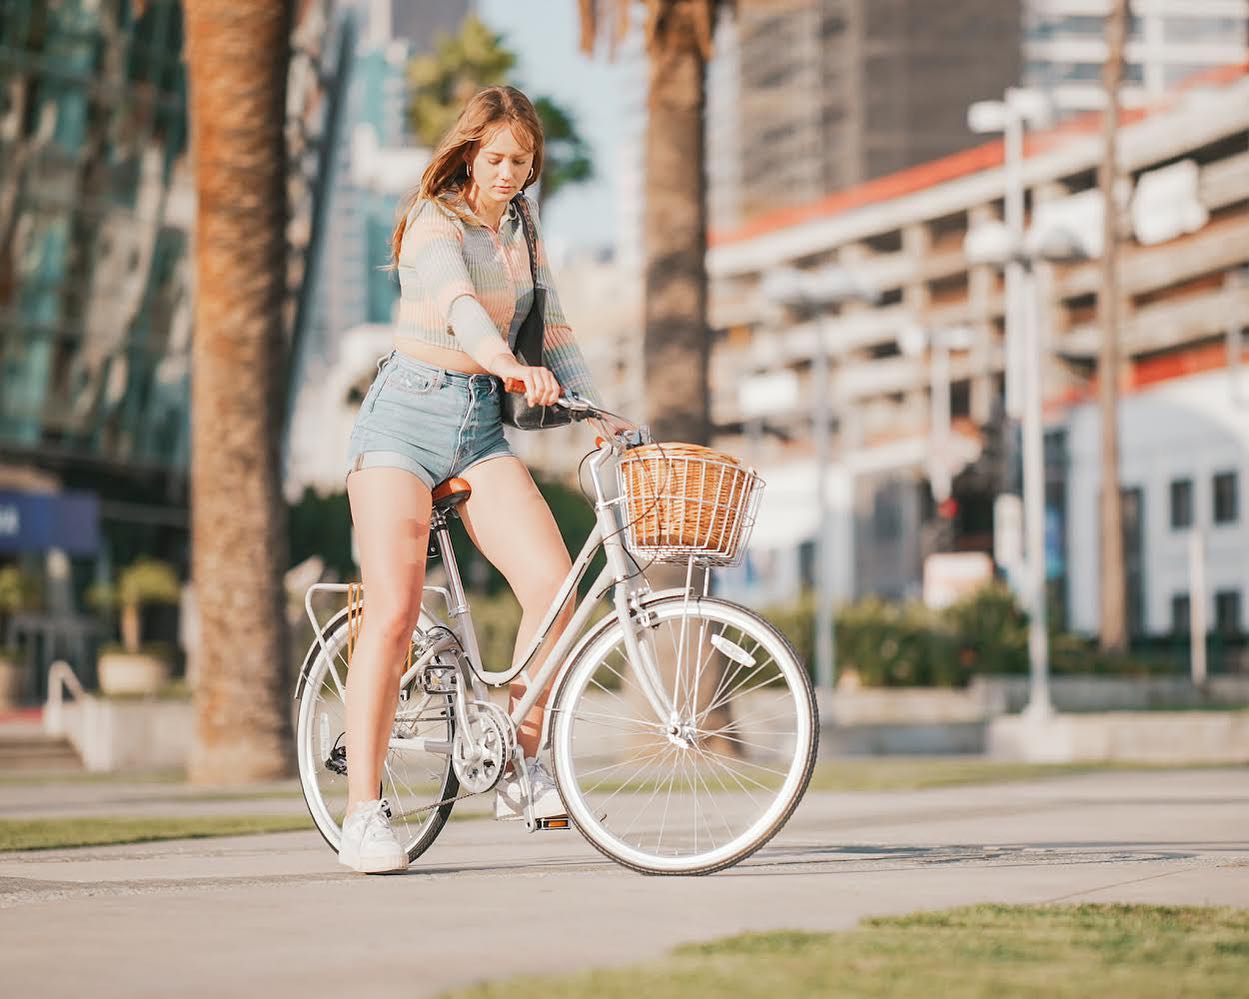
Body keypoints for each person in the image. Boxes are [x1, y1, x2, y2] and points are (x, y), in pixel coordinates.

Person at [337, 86, 617, 874]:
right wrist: (500, 361)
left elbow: (552, 322)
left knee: (557, 592)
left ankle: (514, 758)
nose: (507, 173)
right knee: (392, 613)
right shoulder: (435, 220)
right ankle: (364, 813)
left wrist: (593, 406)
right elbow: (458, 305)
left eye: (521, 162)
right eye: (494, 158)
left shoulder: (522, 228)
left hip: (477, 429)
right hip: (401, 422)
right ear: (467, 152)